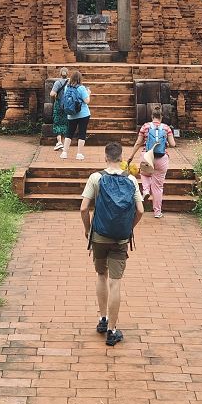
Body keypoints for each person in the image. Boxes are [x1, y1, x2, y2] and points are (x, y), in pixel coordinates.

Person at [80, 141, 143, 346]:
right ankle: (113, 330)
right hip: (120, 238)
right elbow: (141, 210)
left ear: (105, 157)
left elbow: (83, 208)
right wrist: (129, 227)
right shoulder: (131, 180)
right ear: (121, 158)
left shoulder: (96, 178)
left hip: (99, 236)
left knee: (101, 274)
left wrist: (88, 229)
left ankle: (102, 319)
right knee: (116, 281)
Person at [128, 103, 176, 218]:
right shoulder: (166, 128)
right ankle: (157, 212)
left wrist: (131, 156)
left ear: (151, 116)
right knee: (158, 187)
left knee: (145, 174)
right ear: (161, 117)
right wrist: (166, 143)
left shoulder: (145, 127)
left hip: (147, 156)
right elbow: (173, 144)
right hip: (161, 158)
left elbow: (138, 143)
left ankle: (145, 190)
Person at [61, 70, 91, 160]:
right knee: (82, 133)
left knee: (69, 133)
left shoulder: (67, 87)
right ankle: (79, 154)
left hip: (71, 114)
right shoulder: (81, 88)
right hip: (83, 114)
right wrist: (88, 93)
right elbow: (87, 101)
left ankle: (64, 153)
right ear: (79, 79)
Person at [50, 67, 70, 152]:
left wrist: (55, 96)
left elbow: (52, 93)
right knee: (66, 123)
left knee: (57, 122)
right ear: (67, 74)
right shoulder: (70, 82)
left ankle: (59, 142)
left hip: (58, 105)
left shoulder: (57, 82)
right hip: (67, 105)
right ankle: (65, 144)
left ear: (60, 74)